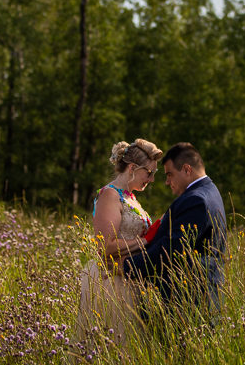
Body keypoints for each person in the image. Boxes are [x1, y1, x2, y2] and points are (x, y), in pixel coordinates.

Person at [123, 142, 226, 318]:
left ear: (187, 169)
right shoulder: (210, 190)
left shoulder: (196, 200)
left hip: (186, 303)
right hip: (195, 298)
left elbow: (171, 249)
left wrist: (126, 266)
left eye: (170, 175)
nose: (167, 182)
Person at [76, 138, 162, 344]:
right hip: (111, 281)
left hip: (129, 276)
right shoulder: (110, 195)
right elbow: (104, 246)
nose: (151, 179)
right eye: (148, 173)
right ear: (132, 168)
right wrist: (145, 241)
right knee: (114, 343)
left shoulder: (130, 197)